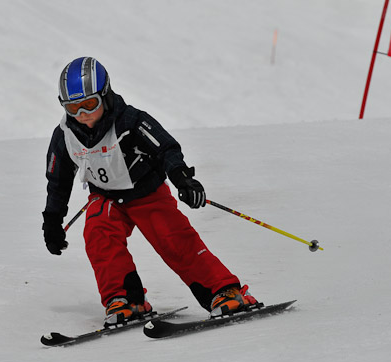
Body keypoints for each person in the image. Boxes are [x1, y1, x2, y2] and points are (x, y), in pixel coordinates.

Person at [42, 56, 257, 326]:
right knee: (98, 235)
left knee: (174, 239)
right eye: (73, 107)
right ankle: (126, 300)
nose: (82, 114)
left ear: (105, 96)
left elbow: (167, 148)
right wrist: (52, 220)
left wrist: (183, 180)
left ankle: (224, 291)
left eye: (89, 104)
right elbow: (58, 180)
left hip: (147, 194)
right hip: (106, 197)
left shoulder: (130, 120)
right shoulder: (64, 135)